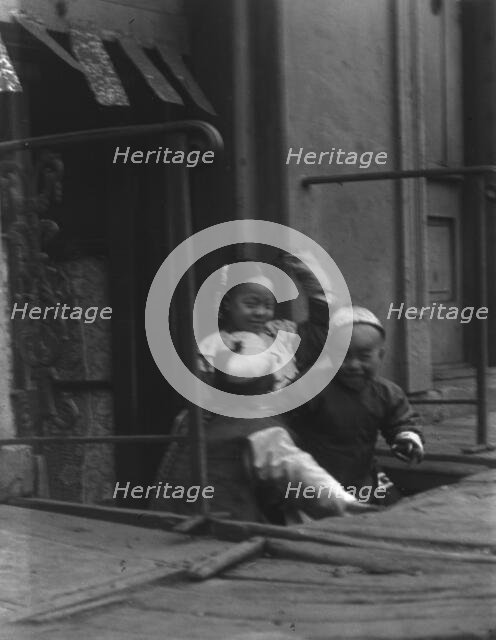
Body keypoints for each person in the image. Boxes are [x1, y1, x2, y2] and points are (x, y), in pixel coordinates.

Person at [151, 253, 373, 521]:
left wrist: (308, 275)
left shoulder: (281, 336)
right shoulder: (212, 346)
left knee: (294, 480)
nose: (260, 312)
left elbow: (321, 325)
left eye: (268, 304)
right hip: (234, 429)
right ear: (227, 304)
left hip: (285, 428)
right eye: (251, 303)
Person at [291, 306, 424, 504]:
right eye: (343, 356)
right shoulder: (309, 386)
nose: (353, 365)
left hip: (362, 476)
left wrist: (406, 437)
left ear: (380, 355)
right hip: (314, 479)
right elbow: (283, 424)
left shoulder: (386, 393)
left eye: (364, 356)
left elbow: (401, 420)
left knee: (393, 509)